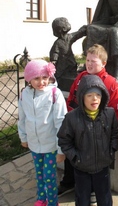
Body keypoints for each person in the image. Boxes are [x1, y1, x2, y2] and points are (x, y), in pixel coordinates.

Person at [58, 44, 118, 197]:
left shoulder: (111, 83)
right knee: (72, 158)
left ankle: (93, 190)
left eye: (94, 61)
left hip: (98, 131)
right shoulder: (81, 77)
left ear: (103, 63)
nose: (89, 64)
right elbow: (72, 99)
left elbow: (115, 111)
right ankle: (68, 182)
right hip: (78, 127)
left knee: (96, 163)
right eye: (87, 60)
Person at [17, 59, 67, 206]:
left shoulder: (54, 94)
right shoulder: (24, 94)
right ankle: (41, 198)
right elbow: (22, 117)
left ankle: (52, 202)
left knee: (49, 176)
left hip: (50, 144)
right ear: (29, 79)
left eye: (44, 78)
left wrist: (61, 149)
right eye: (36, 78)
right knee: (39, 174)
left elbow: (61, 122)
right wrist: (23, 136)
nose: (41, 82)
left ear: (49, 77)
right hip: (34, 144)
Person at [50, 17, 86, 88]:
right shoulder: (58, 43)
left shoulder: (69, 37)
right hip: (62, 60)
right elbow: (55, 52)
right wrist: (54, 60)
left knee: (73, 65)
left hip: (69, 56)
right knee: (59, 73)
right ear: (63, 28)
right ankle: (58, 84)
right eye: (66, 22)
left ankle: (73, 78)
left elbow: (77, 34)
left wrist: (84, 30)